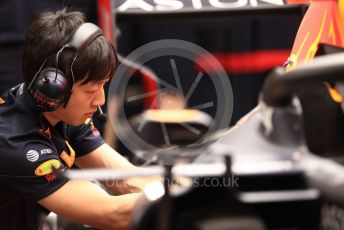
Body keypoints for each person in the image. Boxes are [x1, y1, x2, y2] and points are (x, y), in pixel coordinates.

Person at [0, 9, 148, 230]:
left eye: (103, 85)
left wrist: (177, 192)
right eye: (90, 90)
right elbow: (112, 214)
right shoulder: (14, 142)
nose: (100, 100)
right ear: (52, 86)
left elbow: (125, 179)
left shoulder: (58, 110)